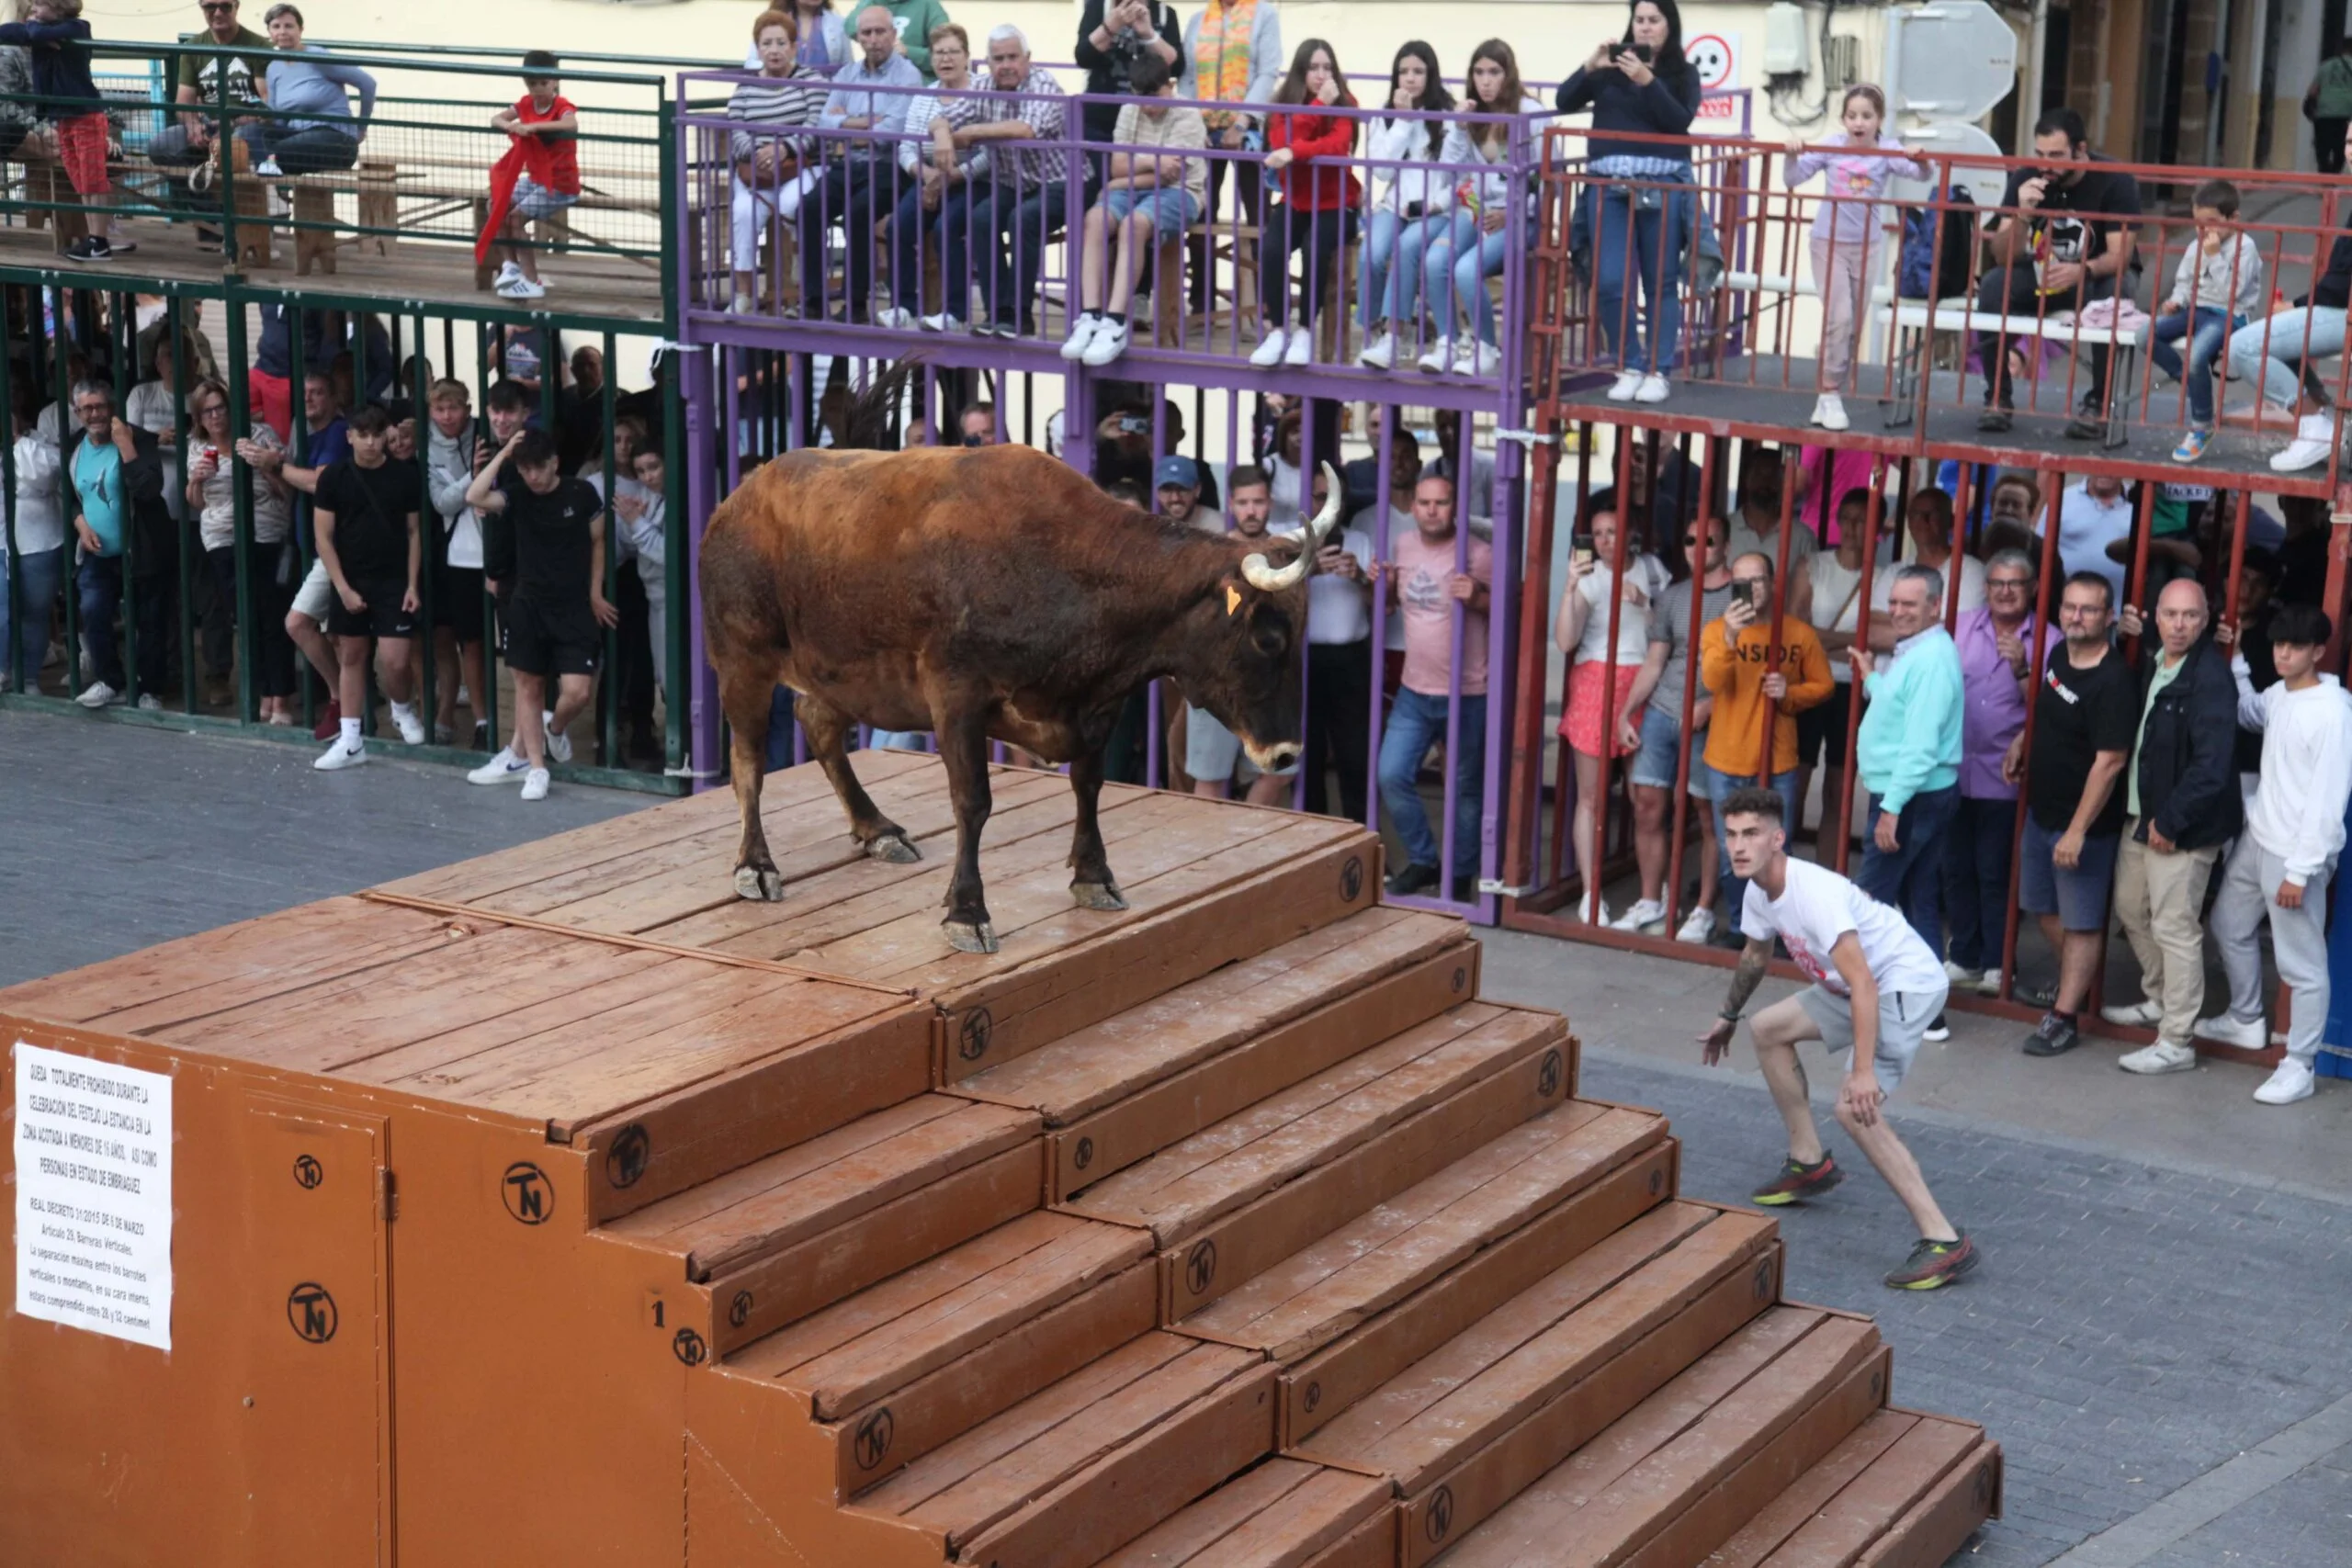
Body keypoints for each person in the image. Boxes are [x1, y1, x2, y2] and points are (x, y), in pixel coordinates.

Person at [1700, 787, 1978, 1291]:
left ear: (1778, 839)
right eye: (1732, 835)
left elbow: (1866, 983)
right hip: (1848, 986)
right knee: (1767, 1030)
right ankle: (1809, 1161)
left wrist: (1863, 1071)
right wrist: (1729, 1015)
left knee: (1855, 1108)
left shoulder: (1815, 894)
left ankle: (1943, 1241)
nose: (1738, 846)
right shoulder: (1759, 890)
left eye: (1751, 834)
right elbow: (1755, 956)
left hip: (1901, 986)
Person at [2200, 604, 2352, 1105]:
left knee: (2303, 966)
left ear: (2317, 651)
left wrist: (2302, 871)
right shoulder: (2281, 693)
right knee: (2226, 924)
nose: (2283, 654)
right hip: (2259, 839)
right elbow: (2250, 712)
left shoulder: (2333, 712)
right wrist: (2240, 658)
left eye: (2294, 647)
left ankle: (2299, 1065)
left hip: (2294, 856)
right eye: (2278, 646)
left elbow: (2329, 804)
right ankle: (2245, 1018)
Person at [2102, 581, 2242, 1072]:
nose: (2180, 624)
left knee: (2175, 927)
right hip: (2144, 815)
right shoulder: (2158, 663)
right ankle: (2161, 999)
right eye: (2171, 614)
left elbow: (2212, 765)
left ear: (2205, 622)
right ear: (2156, 618)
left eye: (2190, 616)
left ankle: (2177, 1040)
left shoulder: (2210, 678)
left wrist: (2171, 820)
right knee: (2131, 910)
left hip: (2181, 826)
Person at [2004, 571, 2132, 1058]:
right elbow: (2048, 710)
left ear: (2109, 617)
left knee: (2080, 923)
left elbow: (2111, 760)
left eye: (2089, 609)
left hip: (2083, 828)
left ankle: (2064, 1017)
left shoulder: (2114, 680)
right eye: (2070, 607)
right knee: (2042, 908)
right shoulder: (2058, 655)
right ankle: (2076, 991)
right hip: (2041, 813)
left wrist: (2077, 831)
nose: (2077, 617)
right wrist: (2022, 741)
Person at [1555, 0, 1702, 405]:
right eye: (1639, 20)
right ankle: (1628, 364)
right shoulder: (1609, 71)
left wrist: (1648, 81)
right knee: (1610, 279)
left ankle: (1658, 370)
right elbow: (1564, 101)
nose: (1645, 28)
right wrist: (1590, 66)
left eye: (1654, 21)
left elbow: (1680, 120)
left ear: (1669, 26)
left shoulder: (1682, 73)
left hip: (1663, 184)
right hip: (1610, 185)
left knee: (1660, 280)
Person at [463, 428, 616, 799]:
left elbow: (599, 541)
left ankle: (556, 727)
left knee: (577, 692)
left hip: (574, 606)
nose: (532, 476)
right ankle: (535, 768)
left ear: (555, 464)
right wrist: (503, 455)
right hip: (528, 604)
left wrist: (596, 592)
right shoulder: (517, 496)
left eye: (538, 468)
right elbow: (474, 495)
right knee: (528, 686)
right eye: (525, 469)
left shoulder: (582, 494)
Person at [1973, 107, 2141, 440]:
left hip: (2096, 274)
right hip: (2041, 274)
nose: (2046, 164)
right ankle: (1998, 396)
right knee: (1993, 287)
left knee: (2114, 294)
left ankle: (2098, 404)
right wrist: (2021, 215)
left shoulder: (2115, 180)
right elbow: (2003, 256)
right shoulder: (2026, 178)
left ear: (2081, 150)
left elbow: (2119, 256)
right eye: (2040, 154)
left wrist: (2082, 271)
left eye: (2056, 155)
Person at [1850, 564, 1962, 1040]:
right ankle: (1927, 1013)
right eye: (1893, 602)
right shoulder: (1919, 651)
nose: (1897, 611)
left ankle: (1852, 1001)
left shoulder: (1932, 658)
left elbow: (1919, 747)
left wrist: (1892, 808)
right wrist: (1874, 681)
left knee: (1864, 902)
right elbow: (1905, 711)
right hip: (1917, 794)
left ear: (1935, 607)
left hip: (1910, 797)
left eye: (1909, 604)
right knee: (1918, 901)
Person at [1940, 549, 2053, 996]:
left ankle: (1998, 962)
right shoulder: (1959, 626)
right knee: (1954, 868)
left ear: (2033, 590)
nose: (2006, 592)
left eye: (2016, 584)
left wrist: (2021, 669)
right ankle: (1965, 955)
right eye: (1998, 584)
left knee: (1994, 870)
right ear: (1985, 588)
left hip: (2005, 776)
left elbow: (2052, 711)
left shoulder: (2050, 638)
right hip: (1952, 768)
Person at [1782, 85, 1927, 431]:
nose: (1858, 123)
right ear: (1843, 119)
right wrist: (1791, 154)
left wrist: (1918, 156)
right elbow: (1792, 179)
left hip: (1867, 246)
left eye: (1866, 116)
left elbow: (1923, 175)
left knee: (1853, 327)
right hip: (1827, 242)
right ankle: (1831, 393)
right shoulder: (1831, 146)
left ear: (1879, 120)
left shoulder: (1888, 151)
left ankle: (1827, 395)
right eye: (1852, 116)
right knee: (1840, 316)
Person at [1698, 550, 1833, 917]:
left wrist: (1789, 692)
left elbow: (1824, 685)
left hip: (1777, 761)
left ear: (1772, 584)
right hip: (1726, 759)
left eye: (1757, 580)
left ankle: (1779, 932)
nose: (1751, 589)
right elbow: (1712, 679)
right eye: (1741, 582)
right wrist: (1729, 636)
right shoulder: (1715, 630)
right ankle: (1744, 928)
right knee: (1733, 854)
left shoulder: (1798, 633)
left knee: (1775, 854)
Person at [1374, 471, 1490, 897]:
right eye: (1424, 503)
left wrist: (1478, 597)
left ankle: (1459, 877)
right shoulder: (1403, 546)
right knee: (1390, 773)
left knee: (1464, 788)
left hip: (1468, 693)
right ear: (1413, 507)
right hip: (1414, 690)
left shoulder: (1478, 553)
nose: (1432, 511)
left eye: (1440, 503)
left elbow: (1510, 614)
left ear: (1455, 506)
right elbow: (1388, 607)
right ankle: (1424, 861)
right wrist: (1383, 586)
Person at [1555, 506, 1673, 921]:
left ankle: (1652, 895)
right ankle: (1592, 893)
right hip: (1594, 682)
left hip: (1643, 681)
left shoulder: (1654, 571)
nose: (1606, 541)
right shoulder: (1588, 577)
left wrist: (1644, 602)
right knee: (1591, 797)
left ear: (1632, 534)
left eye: (1614, 532)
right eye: (1598, 533)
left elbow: (1674, 628)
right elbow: (1566, 641)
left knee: (1646, 796)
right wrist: (1570, 587)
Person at [1620, 511, 1730, 941]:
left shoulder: (1739, 599)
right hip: (1664, 709)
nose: (1697, 550)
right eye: (1689, 541)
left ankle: (1702, 909)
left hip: (1711, 718)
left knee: (1707, 815)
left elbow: (1748, 666)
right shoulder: (1671, 597)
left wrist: (1712, 704)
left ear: (1725, 548)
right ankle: (1652, 901)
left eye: (1708, 542)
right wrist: (1626, 711)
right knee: (1647, 806)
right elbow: (1655, 661)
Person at [1063, 51, 1205, 367]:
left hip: (1180, 193)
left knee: (1134, 225)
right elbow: (1117, 165)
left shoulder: (1188, 114)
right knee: (1095, 219)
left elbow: (1172, 174)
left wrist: (1125, 174)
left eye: (1154, 95)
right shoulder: (1130, 109)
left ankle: (1115, 321)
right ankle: (1089, 315)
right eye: (1141, 96)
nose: (1148, 105)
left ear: (1168, 85)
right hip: (1134, 186)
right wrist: (1146, 162)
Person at [2223, 127, 2351, 475]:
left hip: (2345, 313)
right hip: (2339, 309)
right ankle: (2324, 420)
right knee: (2276, 343)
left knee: (2244, 347)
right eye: (2349, 143)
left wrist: (2297, 305)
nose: (2351, 152)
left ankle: (2314, 427)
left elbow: (2341, 284)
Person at [926, 25, 1068, 337]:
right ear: (988, 63)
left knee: (1023, 219)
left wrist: (972, 132)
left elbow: (1026, 129)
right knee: (981, 218)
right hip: (1015, 181)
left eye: (1013, 57)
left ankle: (1019, 315)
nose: (1006, 65)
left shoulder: (1043, 82)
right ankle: (997, 313)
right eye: (998, 58)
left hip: (1061, 181)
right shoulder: (985, 86)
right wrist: (941, 134)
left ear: (1027, 59)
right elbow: (941, 116)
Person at [1415, 39, 1544, 378]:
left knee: (1466, 269)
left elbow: (1548, 182)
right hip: (1478, 210)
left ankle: (1486, 346)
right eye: (1479, 72)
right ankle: (1448, 342)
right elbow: (1446, 172)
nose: (1486, 81)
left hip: (1521, 220)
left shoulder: (1530, 113)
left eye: (1494, 72)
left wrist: (1513, 214)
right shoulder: (1473, 114)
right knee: (1435, 261)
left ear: (1509, 74)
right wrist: (1458, 128)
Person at [307, 405, 424, 769]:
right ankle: (351, 738)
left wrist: (412, 584)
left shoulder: (404, 477)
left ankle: (402, 708)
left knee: (396, 660)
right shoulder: (334, 478)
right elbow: (323, 538)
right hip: (350, 578)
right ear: (350, 437)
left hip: (392, 580)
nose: (371, 443)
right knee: (352, 656)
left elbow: (414, 531)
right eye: (364, 435)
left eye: (377, 435)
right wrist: (341, 587)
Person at [184, 377, 297, 723]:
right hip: (221, 539)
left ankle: (282, 698)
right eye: (207, 412)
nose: (215, 416)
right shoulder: (196, 446)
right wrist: (196, 480)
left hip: (265, 532)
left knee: (273, 616)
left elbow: (287, 493)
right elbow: (196, 504)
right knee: (246, 618)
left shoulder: (259, 436)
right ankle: (264, 692)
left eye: (220, 408)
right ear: (199, 418)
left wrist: (267, 465)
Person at [803, 6, 922, 325]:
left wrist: (850, 127)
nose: (873, 40)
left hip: (890, 167)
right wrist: (870, 123)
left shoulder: (907, 75)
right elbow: (826, 122)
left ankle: (855, 304)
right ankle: (814, 300)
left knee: (858, 212)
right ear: (858, 38)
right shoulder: (847, 74)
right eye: (866, 33)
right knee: (810, 207)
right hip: (848, 165)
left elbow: (894, 131)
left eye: (880, 32)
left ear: (893, 35)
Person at [1183, 464, 1295, 806]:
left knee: (1282, 772)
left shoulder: (1283, 551)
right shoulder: (1210, 552)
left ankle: (1241, 840)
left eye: (1258, 501)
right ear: (1231, 504)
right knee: (1211, 779)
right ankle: (1210, 855)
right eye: (1244, 502)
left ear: (1270, 503)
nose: (1251, 510)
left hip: (1267, 685)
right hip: (1217, 682)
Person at [1249, 39, 1360, 369]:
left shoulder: (1346, 101)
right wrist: (1314, 109)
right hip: (1297, 200)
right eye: (1314, 67)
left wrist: (1297, 152)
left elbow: (1337, 147)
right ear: (1301, 71)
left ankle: (1305, 330)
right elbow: (1279, 142)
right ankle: (1279, 329)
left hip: (1338, 201)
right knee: (1271, 248)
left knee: (1315, 249)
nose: (1322, 75)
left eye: (1327, 67)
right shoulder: (1283, 103)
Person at [63, 380, 172, 709]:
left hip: (141, 547)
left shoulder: (136, 437)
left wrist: (127, 449)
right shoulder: (74, 446)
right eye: (86, 408)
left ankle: (150, 688)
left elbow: (150, 489)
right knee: (93, 611)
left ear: (111, 407)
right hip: (98, 551)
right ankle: (111, 681)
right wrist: (80, 523)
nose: (94, 414)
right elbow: (68, 495)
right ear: (77, 412)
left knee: (150, 620)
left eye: (100, 406)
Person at [1276, 464, 1373, 821]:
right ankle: (1314, 831)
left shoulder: (1360, 539)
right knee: (1309, 752)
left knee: (1355, 753)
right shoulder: (1286, 542)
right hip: (1303, 660)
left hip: (1351, 660)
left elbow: (1383, 607)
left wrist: (1361, 578)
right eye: (1320, 496)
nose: (1329, 504)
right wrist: (1308, 571)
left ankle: (1358, 829)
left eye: (1335, 496)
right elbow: (1265, 599)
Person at [2146, 179, 2264, 464]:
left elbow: (2231, 293)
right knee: (2144, 335)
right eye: (2199, 224)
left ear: (2233, 218)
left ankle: (2202, 425)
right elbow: (2185, 282)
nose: (2205, 231)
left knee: (2197, 354)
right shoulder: (2195, 245)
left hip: (2229, 315)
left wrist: (2214, 257)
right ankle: (2188, 381)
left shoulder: (2245, 248)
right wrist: (2176, 300)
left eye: (2211, 222)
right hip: (2196, 310)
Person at [882, 22, 989, 330]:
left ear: (967, 56)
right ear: (931, 59)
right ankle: (903, 305)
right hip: (929, 178)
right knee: (898, 225)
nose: (946, 59)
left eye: (953, 52)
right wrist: (925, 173)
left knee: (946, 228)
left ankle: (955, 311)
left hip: (970, 180)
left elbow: (991, 157)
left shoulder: (982, 93)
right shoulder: (924, 96)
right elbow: (906, 147)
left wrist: (952, 176)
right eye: (939, 53)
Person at [726, 9, 830, 317]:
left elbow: (815, 125)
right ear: (758, 49)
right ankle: (744, 293)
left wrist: (784, 148)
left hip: (799, 165)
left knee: (793, 205)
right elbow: (736, 129)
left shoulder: (811, 81)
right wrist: (759, 154)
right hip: (755, 170)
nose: (774, 50)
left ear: (794, 47)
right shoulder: (745, 88)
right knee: (743, 213)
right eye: (767, 43)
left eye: (781, 43)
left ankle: (800, 289)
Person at [1355, 42, 1453, 372]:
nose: (1410, 79)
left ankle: (1396, 336)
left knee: (1405, 247)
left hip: (1437, 210)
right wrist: (1403, 121)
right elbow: (1381, 169)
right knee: (1372, 252)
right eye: (1404, 72)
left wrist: (1433, 205)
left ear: (1431, 74)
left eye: (1418, 71)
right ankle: (1372, 335)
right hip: (1395, 206)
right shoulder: (1387, 114)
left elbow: (1461, 175)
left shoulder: (1448, 115)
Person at [1181, 0, 1280, 311]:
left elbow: (1267, 73)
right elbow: (1187, 80)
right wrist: (1194, 124)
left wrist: (1242, 121)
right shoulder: (1198, 20)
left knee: (1258, 211)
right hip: (1204, 130)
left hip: (1248, 131)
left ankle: (1266, 301)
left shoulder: (1264, 14)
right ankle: (1202, 300)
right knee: (1200, 209)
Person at [0, 0, 113, 264]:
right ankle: (93, 237)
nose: (34, 10)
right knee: (80, 178)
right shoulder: (45, 30)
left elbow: (33, 33)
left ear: (59, 7)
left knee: (92, 178)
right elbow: (10, 32)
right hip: (62, 118)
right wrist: (35, 32)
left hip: (84, 115)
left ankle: (100, 240)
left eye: (40, 4)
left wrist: (35, 33)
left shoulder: (78, 27)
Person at [146, 0, 270, 216]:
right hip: (208, 125)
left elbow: (267, 103)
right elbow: (184, 100)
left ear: (236, 7)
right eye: (210, 7)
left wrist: (232, 122)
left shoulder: (258, 46)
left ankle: (244, 221)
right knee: (161, 146)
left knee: (234, 147)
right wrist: (193, 124)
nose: (218, 13)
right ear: (202, 8)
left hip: (244, 127)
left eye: (225, 6)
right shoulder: (194, 47)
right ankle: (211, 214)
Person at [1794, 488, 1871, 839]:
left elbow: (1879, 639)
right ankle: (1785, 875)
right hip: (1809, 681)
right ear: (1838, 520)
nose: (1854, 527)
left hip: (1853, 689)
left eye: (1863, 520)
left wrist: (1820, 640)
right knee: (1795, 781)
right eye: (1848, 519)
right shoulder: (1816, 565)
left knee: (1838, 791)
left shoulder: (1880, 577)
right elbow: (1796, 630)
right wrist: (1853, 644)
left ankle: (1828, 877)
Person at [424, 378, 493, 750]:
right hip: (456, 554)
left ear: (468, 408)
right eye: (440, 409)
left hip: (497, 549)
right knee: (467, 641)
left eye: (455, 408)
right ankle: (482, 721)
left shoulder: (486, 432)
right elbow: (441, 502)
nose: (448, 416)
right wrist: (474, 479)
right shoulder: (426, 443)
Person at [482, 51, 582, 302]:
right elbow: (497, 118)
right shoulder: (525, 104)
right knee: (495, 204)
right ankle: (510, 265)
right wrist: (511, 126)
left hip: (560, 184)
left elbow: (570, 124)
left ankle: (532, 279)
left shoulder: (562, 107)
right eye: (532, 84)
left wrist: (535, 127)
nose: (537, 89)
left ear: (555, 83)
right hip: (536, 178)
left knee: (516, 219)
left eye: (543, 83)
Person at [256, 4, 377, 175]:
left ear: (301, 30)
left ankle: (272, 178)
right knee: (248, 134)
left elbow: (368, 84)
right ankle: (275, 192)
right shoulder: (273, 67)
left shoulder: (317, 56)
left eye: (289, 26)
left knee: (281, 150)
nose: (282, 32)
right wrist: (264, 116)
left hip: (333, 137)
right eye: (276, 26)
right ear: (269, 32)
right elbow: (279, 120)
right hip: (294, 136)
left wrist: (361, 128)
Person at [1863, 487, 1983, 646]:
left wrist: (1896, 628)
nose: (1921, 521)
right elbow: (1871, 633)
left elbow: (1958, 636)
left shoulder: (1972, 572)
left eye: (1931, 515)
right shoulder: (1894, 571)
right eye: (1915, 515)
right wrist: (1933, 628)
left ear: (1951, 521)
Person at [2, 404, 62, 692]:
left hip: (38, 541)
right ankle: (3, 668)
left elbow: (45, 479)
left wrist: (15, 440)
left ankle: (27, 677)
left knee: (33, 613)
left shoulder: (38, 442)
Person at [1724, 449, 1815, 621]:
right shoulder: (1724, 529)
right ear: (1747, 479)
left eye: (1773, 476)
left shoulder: (1803, 537)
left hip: (1780, 640)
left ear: (1784, 482)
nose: (1765, 482)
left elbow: (1810, 599)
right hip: (1726, 635)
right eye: (1759, 474)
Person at [1073, 0, 1180, 146]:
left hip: (1147, 121)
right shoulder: (1098, 8)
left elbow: (1176, 67)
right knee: (1101, 166)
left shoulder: (1164, 14)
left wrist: (1149, 34)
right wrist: (1110, 27)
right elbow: (1083, 58)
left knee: (1141, 167)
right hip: (1101, 118)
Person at [2055, 471, 2130, 607]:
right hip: (2068, 613)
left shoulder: (2140, 501)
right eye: (2100, 462)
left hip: (2121, 616)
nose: (2105, 469)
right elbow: (2041, 549)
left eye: (2112, 463)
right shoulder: (2062, 499)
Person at [2305, 35, 2352, 176]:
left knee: (2322, 149)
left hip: (2323, 114)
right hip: (2345, 114)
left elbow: (2313, 91)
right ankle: (2333, 175)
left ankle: (2324, 177)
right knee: (2341, 149)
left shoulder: (2326, 66)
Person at [1154, 453, 1221, 533]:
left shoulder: (1218, 528)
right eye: (1167, 490)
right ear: (1157, 493)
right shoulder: (1150, 527)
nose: (1175, 498)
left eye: (1183, 489)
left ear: (1197, 490)